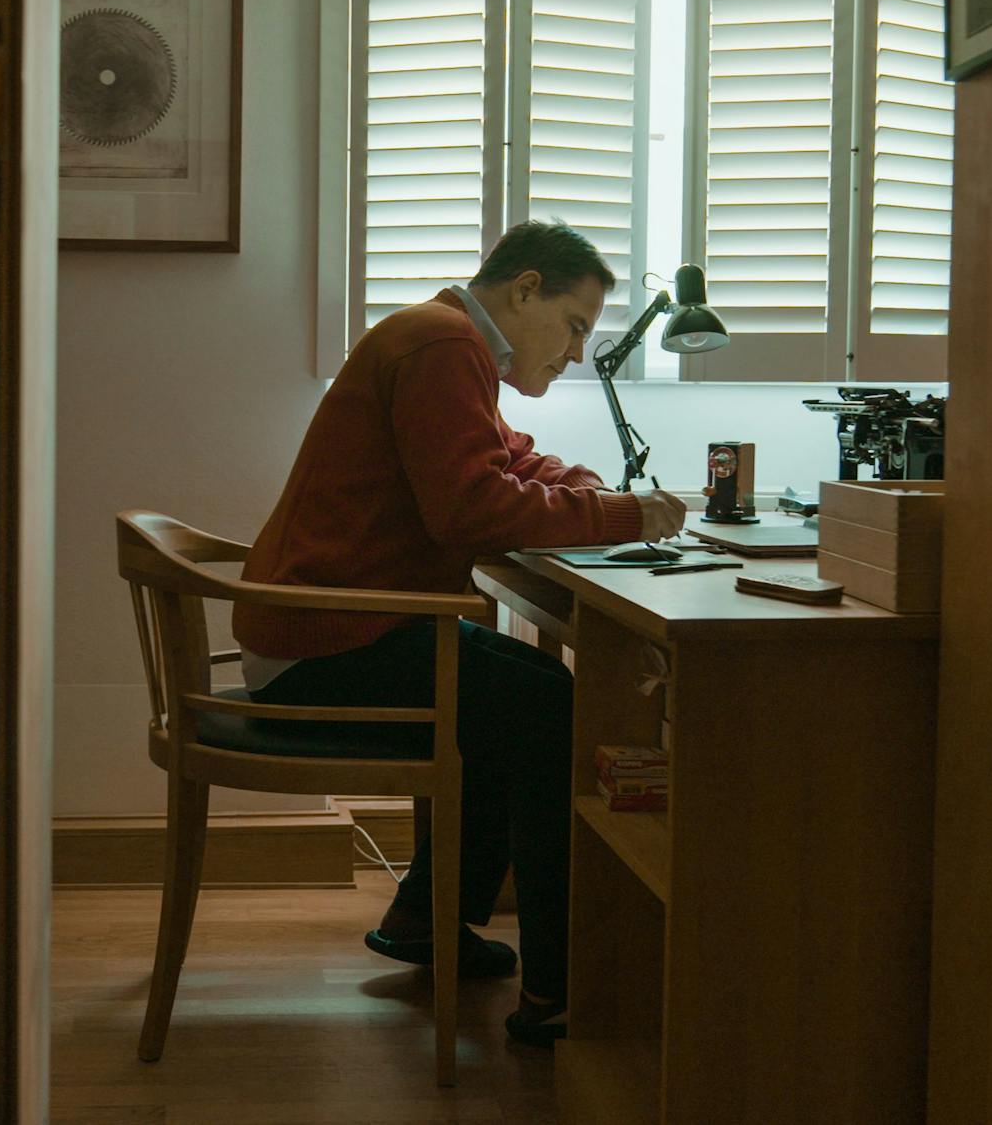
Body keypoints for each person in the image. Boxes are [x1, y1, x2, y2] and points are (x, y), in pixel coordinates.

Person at [233, 220, 687, 1047]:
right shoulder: (443, 348)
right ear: (524, 289)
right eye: (576, 325)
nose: (578, 353)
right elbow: (470, 507)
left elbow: (512, 460)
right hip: (325, 644)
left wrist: (578, 484)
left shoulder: (444, 343)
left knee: (512, 694)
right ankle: (559, 989)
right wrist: (622, 510)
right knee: (548, 707)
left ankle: (426, 920)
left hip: (328, 627)